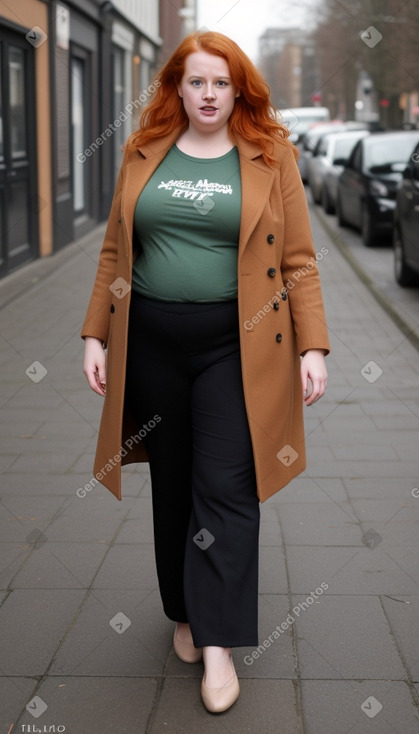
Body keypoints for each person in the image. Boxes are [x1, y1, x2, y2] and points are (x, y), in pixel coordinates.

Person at [81, 30, 330, 714]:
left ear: (238, 86)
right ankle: (185, 614)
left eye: (221, 82)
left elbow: (300, 261)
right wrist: (94, 333)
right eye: (196, 82)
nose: (209, 94)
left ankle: (218, 644)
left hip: (237, 347)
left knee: (224, 486)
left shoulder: (269, 154)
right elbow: (113, 252)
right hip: (151, 345)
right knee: (172, 488)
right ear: (177, 88)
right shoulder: (143, 151)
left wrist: (312, 346)